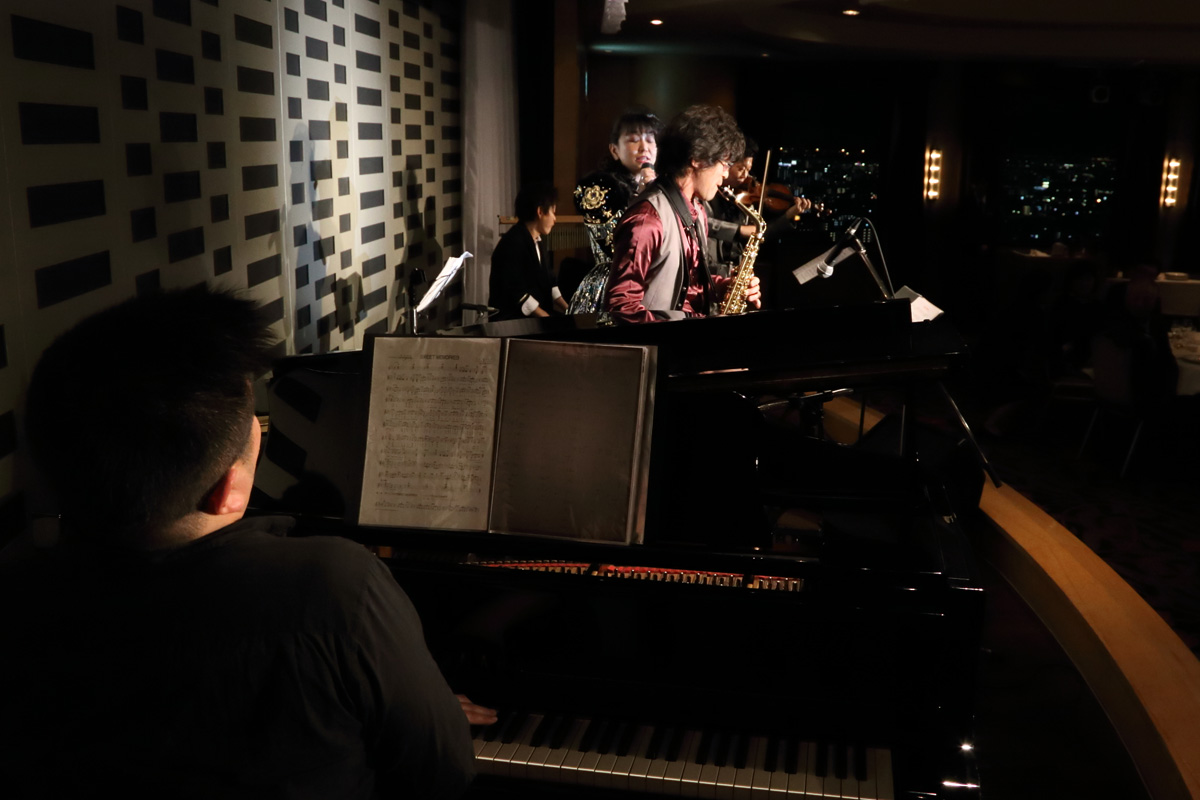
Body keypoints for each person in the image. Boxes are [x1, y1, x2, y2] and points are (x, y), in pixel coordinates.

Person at [0, 287, 495, 798]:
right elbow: (444, 773)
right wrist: (411, 698)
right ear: (227, 491)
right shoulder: (337, 589)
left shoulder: (16, 600)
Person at [605, 104, 761, 324]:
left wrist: (726, 287)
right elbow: (621, 308)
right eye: (724, 164)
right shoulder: (647, 219)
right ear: (697, 158)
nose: (725, 175)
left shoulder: (697, 211)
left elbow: (690, 288)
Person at [569, 108, 662, 314]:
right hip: (612, 285)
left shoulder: (662, 186)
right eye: (633, 140)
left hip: (652, 284)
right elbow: (619, 244)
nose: (644, 147)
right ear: (614, 150)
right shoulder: (597, 187)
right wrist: (647, 194)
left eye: (650, 140)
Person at [705, 137, 811, 278]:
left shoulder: (742, 202)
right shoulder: (707, 192)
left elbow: (760, 232)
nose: (745, 175)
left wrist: (789, 215)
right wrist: (739, 230)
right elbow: (703, 222)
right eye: (741, 168)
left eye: (748, 170)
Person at [488, 183, 567, 320]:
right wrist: (549, 320)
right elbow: (517, 293)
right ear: (540, 212)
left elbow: (550, 282)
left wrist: (570, 309)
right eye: (553, 212)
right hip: (513, 321)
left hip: (534, 319)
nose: (555, 219)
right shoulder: (512, 243)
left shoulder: (538, 241)